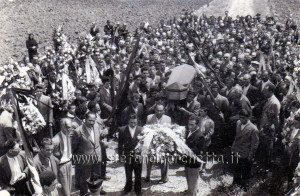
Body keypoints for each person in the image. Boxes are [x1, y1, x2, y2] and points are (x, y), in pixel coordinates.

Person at [72, 112, 106, 195]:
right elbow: (74, 147)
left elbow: (99, 137)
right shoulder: (78, 131)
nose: (92, 123)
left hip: (97, 158)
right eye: (90, 120)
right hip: (85, 161)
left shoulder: (97, 126)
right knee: (84, 181)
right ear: (85, 119)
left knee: (97, 179)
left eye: (93, 121)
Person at [231, 109, 259, 190]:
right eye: (240, 117)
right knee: (236, 169)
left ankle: (244, 188)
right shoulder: (238, 123)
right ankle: (235, 184)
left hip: (245, 154)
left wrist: (250, 157)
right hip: (237, 151)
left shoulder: (253, 129)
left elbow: (254, 145)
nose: (241, 119)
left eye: (243, 118)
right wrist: (233, 147)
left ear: (248, 117)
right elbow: (237, 137)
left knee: (245, 172)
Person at [145, 104, 171, 183]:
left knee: (164, 159)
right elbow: (146, 129)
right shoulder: (149, 118)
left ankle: (164, 177)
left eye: (161, 110)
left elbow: (169, 132)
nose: (159, 112)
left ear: (164, 111)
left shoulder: (168, 119)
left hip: (163, 141)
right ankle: (147, 176)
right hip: (152, 141)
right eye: (157, 110)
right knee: (148, 159)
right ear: (154, 110)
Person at [118, 113, 143, 196]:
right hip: (127, 155)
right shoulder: (122, 130)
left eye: (134, 123)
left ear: (137, 122)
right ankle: (127, 188)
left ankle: (138, 189)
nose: (133, 124)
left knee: (138, 174)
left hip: (138, 156)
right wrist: (120, 155)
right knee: (128, 173)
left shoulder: (141, 130)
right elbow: (120, 144)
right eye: (131, 122)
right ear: (128, 121)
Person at [184, 115, 205, 196]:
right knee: (189, 179)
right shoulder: (189, 132)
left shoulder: (199, 136)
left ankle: (192, 193)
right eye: (189, 124)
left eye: (192, 124)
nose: (190, 126)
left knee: (192, 180)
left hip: (193, 163)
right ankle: (191, 190)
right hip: (187, 161)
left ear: (197, 125)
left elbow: (196, 150)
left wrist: (183, 148)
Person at [52, 118, 73, 196]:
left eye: (71, 127)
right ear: (62, 127)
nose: (71, 129)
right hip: (61, 166)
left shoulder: (68, 135)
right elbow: (50, 154)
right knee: (64, 190)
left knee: (69, 188)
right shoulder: (56, 139)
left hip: (69, 164)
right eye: (68, 127)